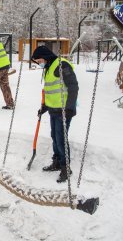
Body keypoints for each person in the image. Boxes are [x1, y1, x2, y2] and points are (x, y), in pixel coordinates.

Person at [32, 45, 79, 183]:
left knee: (61, 138)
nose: (40, 63)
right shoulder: (48, 68)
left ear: (45, 57)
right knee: (55, 136)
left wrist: (69, 108)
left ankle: (66, 167)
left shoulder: (61, 65)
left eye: (40, 60)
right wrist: (44, 107)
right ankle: (57, 162)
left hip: (64, 110)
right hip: (53, 110)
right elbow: (51, 90)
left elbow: (73, 86)